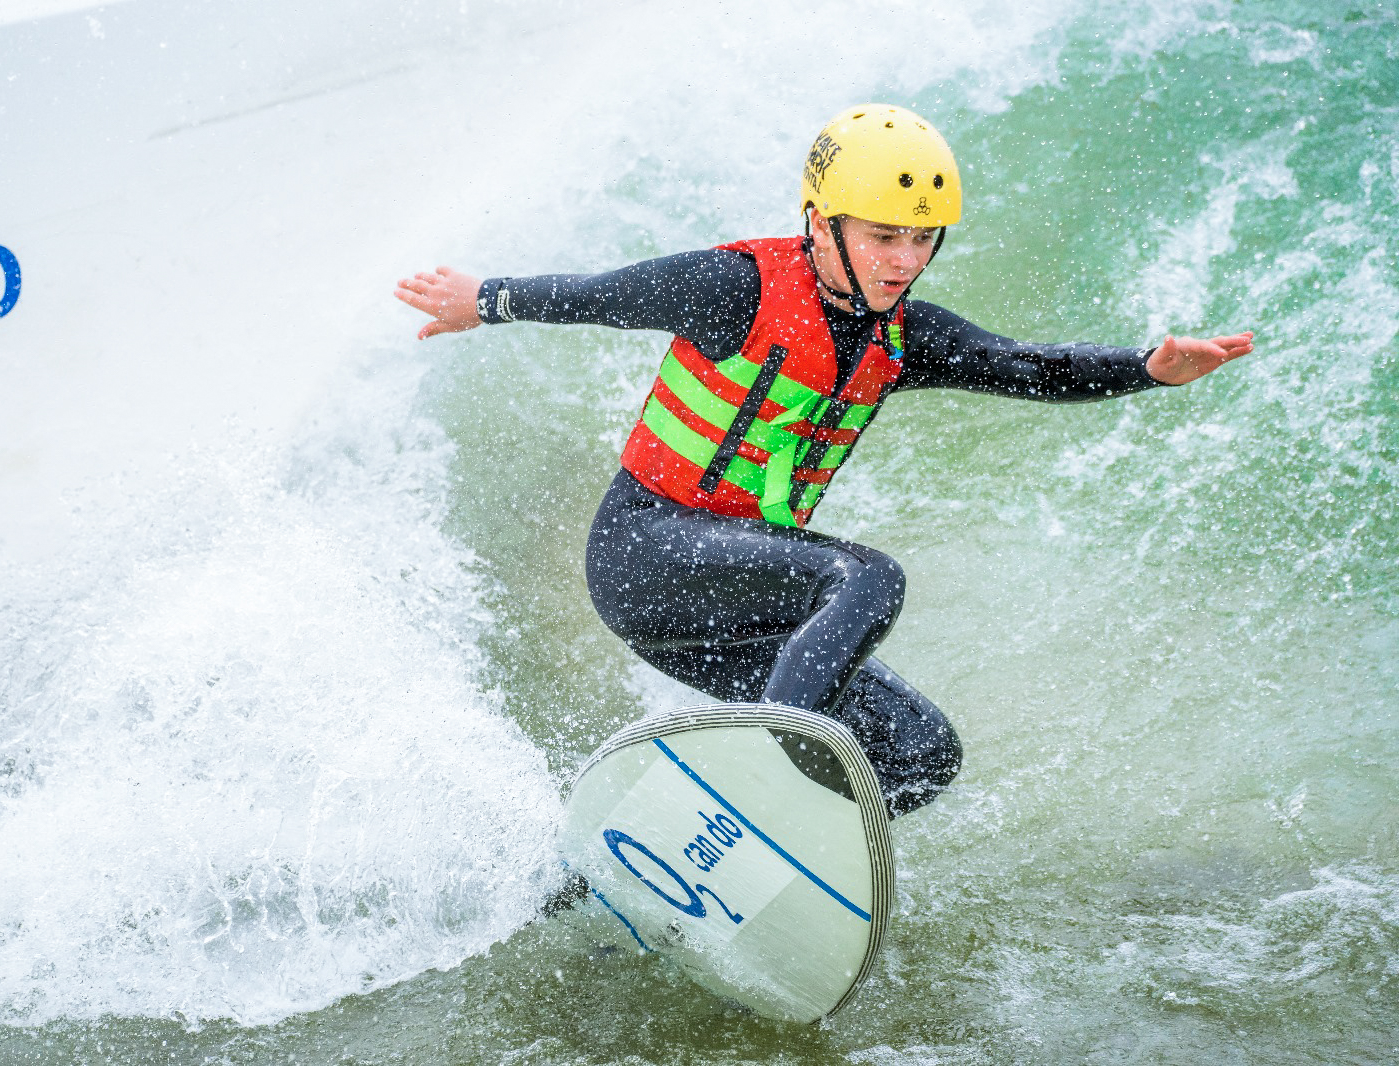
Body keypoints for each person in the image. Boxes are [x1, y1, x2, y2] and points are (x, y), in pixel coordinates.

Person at [394, 104, 1253, 818]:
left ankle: (706, 850)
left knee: (921, 752)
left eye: (923, 240)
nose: (905, 261)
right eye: (884, 237)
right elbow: (604, 295)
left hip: (735, 612)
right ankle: (756, 781)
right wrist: (485, 300)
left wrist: (1145, 369)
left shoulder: (904, 336)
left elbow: (1027, 366)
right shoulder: (739, 287)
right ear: (821, 223)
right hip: (646, 554)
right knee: (865, 577)